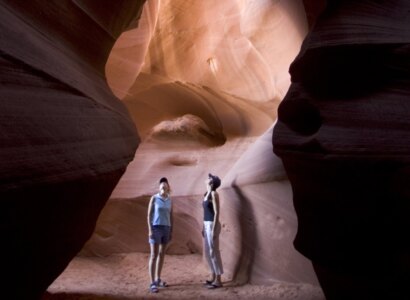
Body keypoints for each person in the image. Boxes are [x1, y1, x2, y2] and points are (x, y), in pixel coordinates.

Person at [147, 177, 173, 293]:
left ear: (168, 187)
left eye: (165, 183)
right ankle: (152, 282)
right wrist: (150, 230)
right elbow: (148, 215)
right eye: (161, 184)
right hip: (156, 228)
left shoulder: (169, 200)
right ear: (159, 187)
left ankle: (158, 279)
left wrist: (171, 230)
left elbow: (171, 216)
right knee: (153, 255)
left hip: (166, 228)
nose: (163, 185)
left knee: (162, 254)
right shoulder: (154, 198)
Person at [202, 173, 224, 289]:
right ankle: (213, 275)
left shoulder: (214, 194)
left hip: (212, 225)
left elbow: (216, 213)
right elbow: (205, 213)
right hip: (206, 224)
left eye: (209, 178)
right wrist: (203, 227)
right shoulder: (206, 194)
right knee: (207, 251)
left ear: (212, 182)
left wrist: (214, 229)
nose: (207, 178)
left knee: (213, 252)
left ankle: (218, 280)